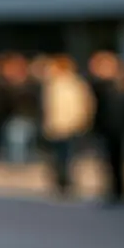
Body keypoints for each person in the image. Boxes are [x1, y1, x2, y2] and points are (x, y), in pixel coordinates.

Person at [41, 55, 95, 200]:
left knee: (69, 155)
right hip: (56, 126)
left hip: (70, 125)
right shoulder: (52, 84)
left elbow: (85, 105)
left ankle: (68, 181)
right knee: (57, 156)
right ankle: (60, 181)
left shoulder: (75, 84)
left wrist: (81, 121)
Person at [88, 51, 124, 207]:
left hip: (120, 129)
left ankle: (121, 190)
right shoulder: (100, 86)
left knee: (119, 160)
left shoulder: (122, 84)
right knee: (109, 162)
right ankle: (114, 190)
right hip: (108, 129)